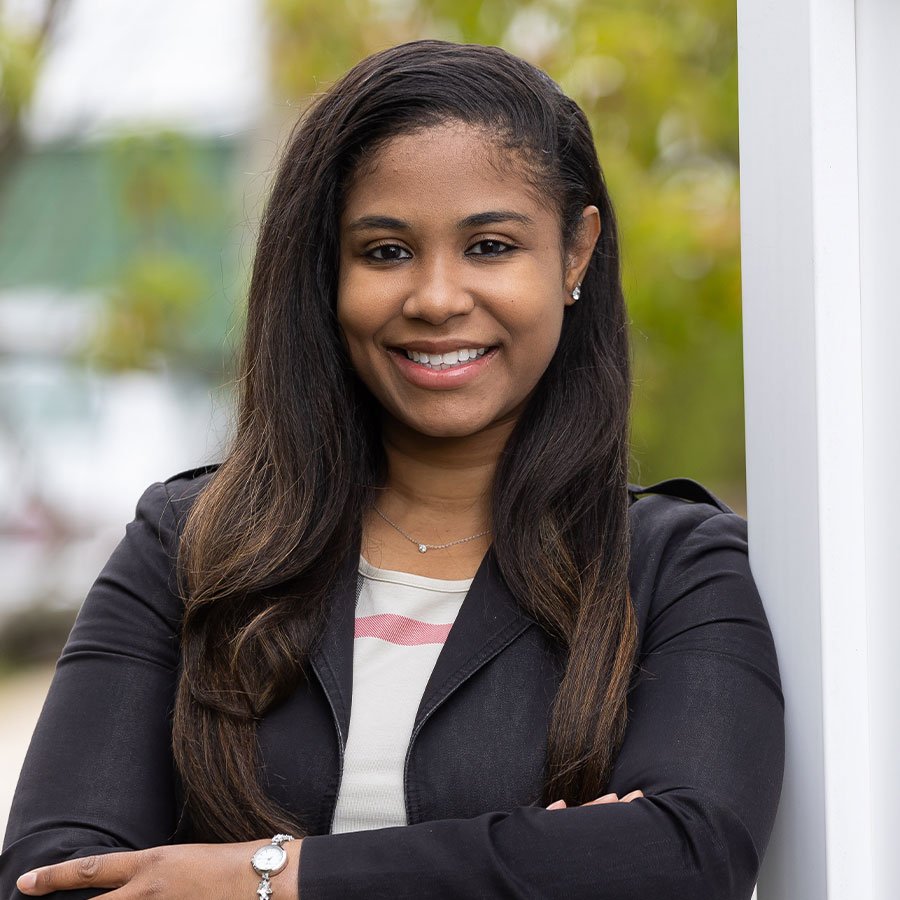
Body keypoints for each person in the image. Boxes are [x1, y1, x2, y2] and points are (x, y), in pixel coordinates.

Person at [0, 40, 783, 900]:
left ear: (575, 253)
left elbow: (682, 859)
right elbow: (52, 878)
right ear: (326, 270)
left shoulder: (677, 569)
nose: (438, 298)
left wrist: (268, 876)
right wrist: (542, 858)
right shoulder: (188, 548)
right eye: (385, 251)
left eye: (489, 246)